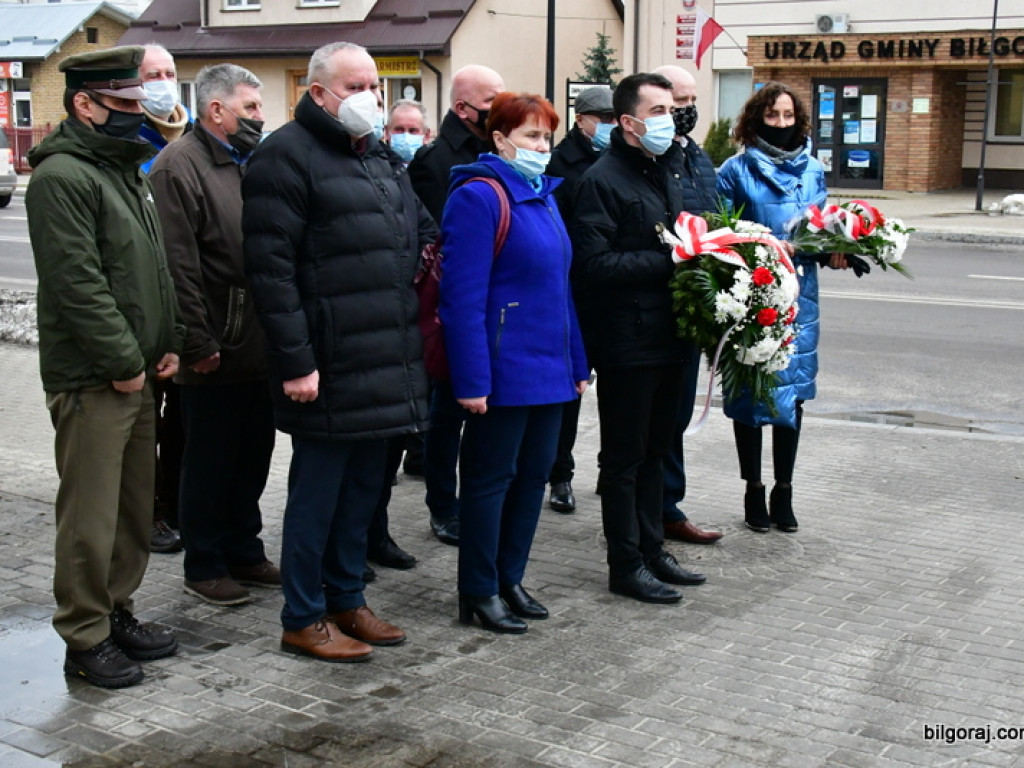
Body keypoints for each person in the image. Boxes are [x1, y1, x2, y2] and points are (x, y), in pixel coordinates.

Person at [242, 42, 436, 662]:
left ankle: (347, 598)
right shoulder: (284, 157)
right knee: (316, 497)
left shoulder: (378, 157)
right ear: (319, 94)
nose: (370, 99)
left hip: (384, 357)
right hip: (326, 363)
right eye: (355, 87)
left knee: (361, 495)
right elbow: (270, 274)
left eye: (374, 86)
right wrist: (298, 362)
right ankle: (303, 615)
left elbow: (419, 231)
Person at [26, 45, 182, 688]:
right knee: (90, 516)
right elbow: (78, 284)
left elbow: (152, 266)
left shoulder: (123, 169)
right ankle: (84, 635)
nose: (132, 115)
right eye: (119, 104)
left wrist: (165, 339)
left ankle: (116, 610)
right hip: (95, 377)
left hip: (138, 370)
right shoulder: (63, 177)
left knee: (128, 509)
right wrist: (122, 360)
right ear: (83, 104)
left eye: (134, 104)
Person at [440, 92, 589, 633]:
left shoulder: (543, 195)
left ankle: (510, 577)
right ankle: (478, 590)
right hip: (502, 373)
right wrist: (472, 379)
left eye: (546, 137)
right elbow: (460, 298)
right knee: (488, 482)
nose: (541, 146)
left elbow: (561, 288)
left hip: (551, 369)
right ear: (500, 140)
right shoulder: (479, 197)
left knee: (532, 480)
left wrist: (578, 363)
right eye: (531, 136)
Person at [570, 73, 706, 605]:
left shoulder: (666, 168)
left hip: (671, 333)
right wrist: (669, 258)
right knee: (624, 458)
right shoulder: (601, 180)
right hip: (628, 340)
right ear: (628, 122)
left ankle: (654, 550)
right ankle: (624, 562)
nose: (668, 119)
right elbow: (594, 264)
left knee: (657, 450)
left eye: (670, 109)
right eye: (657, 111)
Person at [149, 64, 280, 607]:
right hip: (215, 347)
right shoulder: (179, 165)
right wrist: (197, 343)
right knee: (209, 460)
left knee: (253, 454)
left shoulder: (246, 160)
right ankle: (204, 564)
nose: (259, 116)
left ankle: (243, 551)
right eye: (249, 107)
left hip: (257, 344)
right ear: (216, 110)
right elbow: (178, 266)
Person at [716, 81, 847, 534]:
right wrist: (764, 250)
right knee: (750, 391)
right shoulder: (733, 170)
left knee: (793, 392)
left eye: (789, 116)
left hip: (801, 295)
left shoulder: (813, 169)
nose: (781, 124)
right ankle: (752, 488)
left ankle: (784, 491)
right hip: (752, 292)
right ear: (755, 118)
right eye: (772, 115)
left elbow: (821, 223)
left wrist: (837, 247)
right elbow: (720, 235)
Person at [408, 64, 505, 547]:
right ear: (464, 108)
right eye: (491, 101)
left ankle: (482, 497)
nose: (499, 108)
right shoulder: (435, 161)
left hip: (499, 301)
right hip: (456, 304)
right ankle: (443, 504)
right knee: (446, 413)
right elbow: (435, 242)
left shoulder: (498, 147)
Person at [651, 64, 723, 546]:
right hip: (656, 303)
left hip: (692, 301)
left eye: (692, 99)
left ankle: (666, 503)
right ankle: (657, 508)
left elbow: (713, 215)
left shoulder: (696, 156)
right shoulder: (652, 158)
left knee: (676, 412)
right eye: (679, 101)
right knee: (657, 416)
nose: (688, 110)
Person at [543, 85, 614, 515]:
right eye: (601, 118)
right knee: (570, 390)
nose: (607, 126)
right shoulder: (560, 161)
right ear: (582, 118)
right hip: (575, 289)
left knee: (617, 389)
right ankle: (560, 474)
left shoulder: (621, 157)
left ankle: (610, 469)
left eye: (613, 118)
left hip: (613, 292)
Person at [138, 43, 192, 554]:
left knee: (179, 418)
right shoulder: (129, 143)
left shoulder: (191, 136)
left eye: (169, 72)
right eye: (152, 73)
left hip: (186, 307)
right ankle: (148, 511)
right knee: (142, 421)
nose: (163, 81)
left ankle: (174, 505)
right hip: (144, 309)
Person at [384, 99, 431, 165]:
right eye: (399, 130)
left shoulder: (437, 171)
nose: (406, 137)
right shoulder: (372, 170)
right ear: (386, 132)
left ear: (426, 136)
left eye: (413, 130)